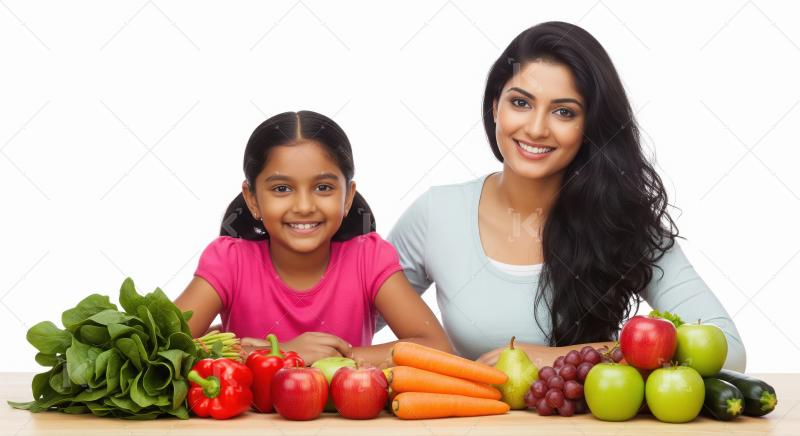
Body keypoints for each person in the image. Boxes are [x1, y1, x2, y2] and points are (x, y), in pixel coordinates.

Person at [387, 22, 746, 371]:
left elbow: (727, 350)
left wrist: (568, 357)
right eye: (521, 103)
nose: (537, 128)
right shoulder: (438, 214)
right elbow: (350, 316)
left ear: (589, 126)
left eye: (564, 112)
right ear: (495, 105)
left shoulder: (620, 219)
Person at [175, 111, 452, 366]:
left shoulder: (368, 259)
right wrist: (281, 353)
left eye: (323, 187)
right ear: (253, 199)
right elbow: (159, 348)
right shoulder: (229, 262)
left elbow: (437, 348)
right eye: (282, 188)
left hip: (346, 416)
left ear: (348, 197)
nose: (304, 206)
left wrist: (326, 358)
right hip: (248, 419)